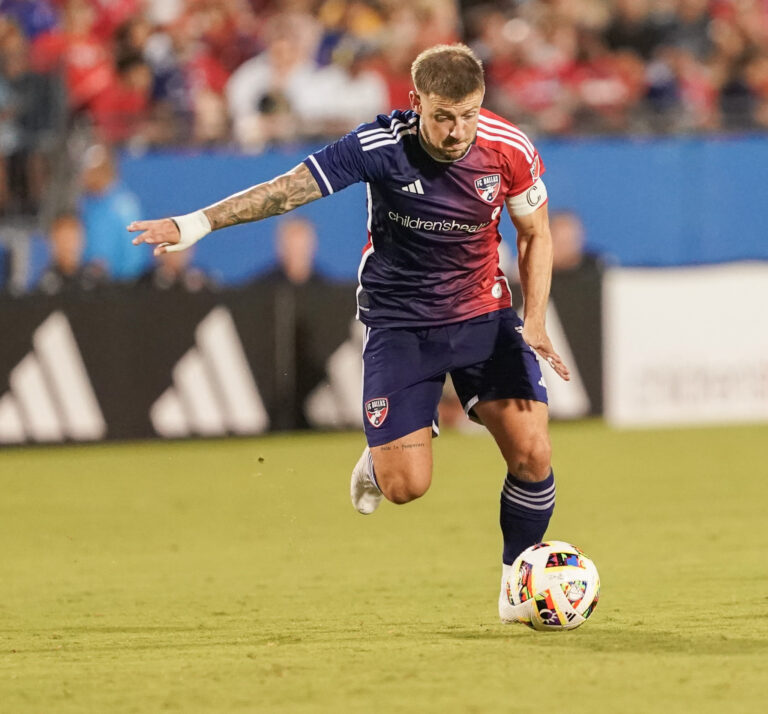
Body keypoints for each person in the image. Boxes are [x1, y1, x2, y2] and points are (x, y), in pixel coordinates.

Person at [128, 43, 570, 623]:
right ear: (416, 104)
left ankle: (517, 581)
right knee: (406, 486)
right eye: (443, 115)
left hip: (481, 315)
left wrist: (533, 318)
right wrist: (196, 223)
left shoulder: (509, 148)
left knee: (533, 451)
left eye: (468, 113)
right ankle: (379, 456)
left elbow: (535, 234)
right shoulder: (378, 146)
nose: (457, 129)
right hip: (400, 322)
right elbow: (287, 189)